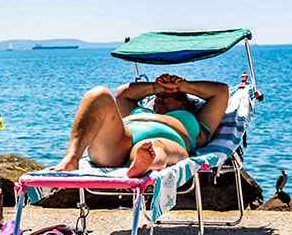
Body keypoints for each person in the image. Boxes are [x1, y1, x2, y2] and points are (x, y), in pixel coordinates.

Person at [53, 74, 229, 178]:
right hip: (121, 141)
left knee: (155, 146)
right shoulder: (140, 111)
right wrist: (156, 87)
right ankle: (71, 158)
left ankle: (145, 162)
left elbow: (221, 92)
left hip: (169, 139)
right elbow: (122, 94)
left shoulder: (193, 121)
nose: (159, 97)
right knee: (99, 94)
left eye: (166, 95)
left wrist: (181, 86)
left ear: (183, 103)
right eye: (158, 95)